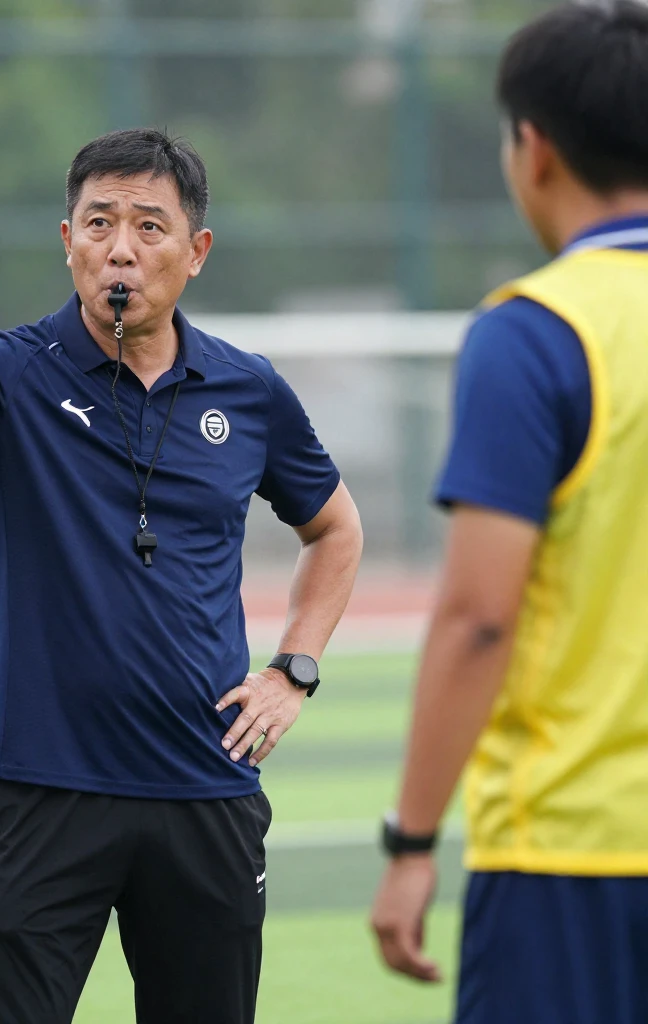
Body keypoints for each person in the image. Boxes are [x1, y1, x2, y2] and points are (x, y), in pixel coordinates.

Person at [0, 127, 363, 1023]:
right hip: (39, 792)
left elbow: (335, 527)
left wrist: (293, 670)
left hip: (205, 787)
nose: (121, 247)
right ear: (67, 241)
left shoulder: (249, 390)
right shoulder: (8, 371)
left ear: (197, 251)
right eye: (99, 222)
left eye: (150, 226)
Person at [370, 3, 648, 1022]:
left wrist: (411, 841)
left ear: (533, 149)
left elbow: (479, 616)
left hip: (571, 856)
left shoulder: (533, 333)